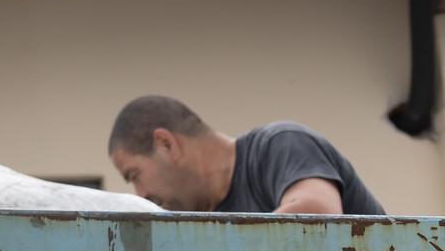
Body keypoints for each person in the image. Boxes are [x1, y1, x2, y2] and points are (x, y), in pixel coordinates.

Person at [106, 95, 384, 214]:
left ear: (167, 144)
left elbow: (318, 216)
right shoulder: (207, 215)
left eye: (134, 175)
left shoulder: (281, 143)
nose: (140, 194)